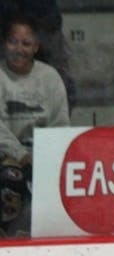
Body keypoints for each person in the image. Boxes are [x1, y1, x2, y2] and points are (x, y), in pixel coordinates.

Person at [0, 11, 68, 237]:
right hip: (8, 155)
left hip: (43, 155)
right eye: (13, 41)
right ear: (5, 43)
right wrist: (20, 155)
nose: (19, 48)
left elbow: (60, 126)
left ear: (36, 47)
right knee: (10, 177)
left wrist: (46, 157)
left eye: (26, 43)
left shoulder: (50, 78)